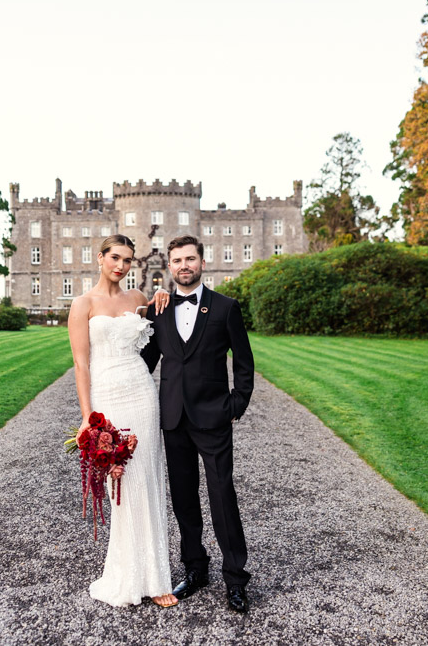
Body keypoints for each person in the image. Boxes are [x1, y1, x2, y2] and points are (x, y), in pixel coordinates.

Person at [140, 234, 255, 613]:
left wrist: (236, 403)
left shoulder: (225, 307)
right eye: (177, 260)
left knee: (223, 496)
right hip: (172, 418)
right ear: (169, 267)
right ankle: (195, 569)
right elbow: (148, 362)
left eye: (190, 259)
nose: (183, 266)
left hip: (213, 417)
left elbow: (243, 360)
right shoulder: (159, 309)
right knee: (184, 501)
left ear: (202, 263)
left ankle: (236, 579)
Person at [68, 234, 178, 608]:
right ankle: (128, 575)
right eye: (115, 257)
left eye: (128, 260)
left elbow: (163, 318)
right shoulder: (82, 303)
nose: (121, 266)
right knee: (123, 483)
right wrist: (88, 417)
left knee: (147, 478)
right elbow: (81, 364)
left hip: (142, 394)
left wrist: (162, 292)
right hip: (108, 397)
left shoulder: (136, 300)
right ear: (100, 258)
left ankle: (158, 577)